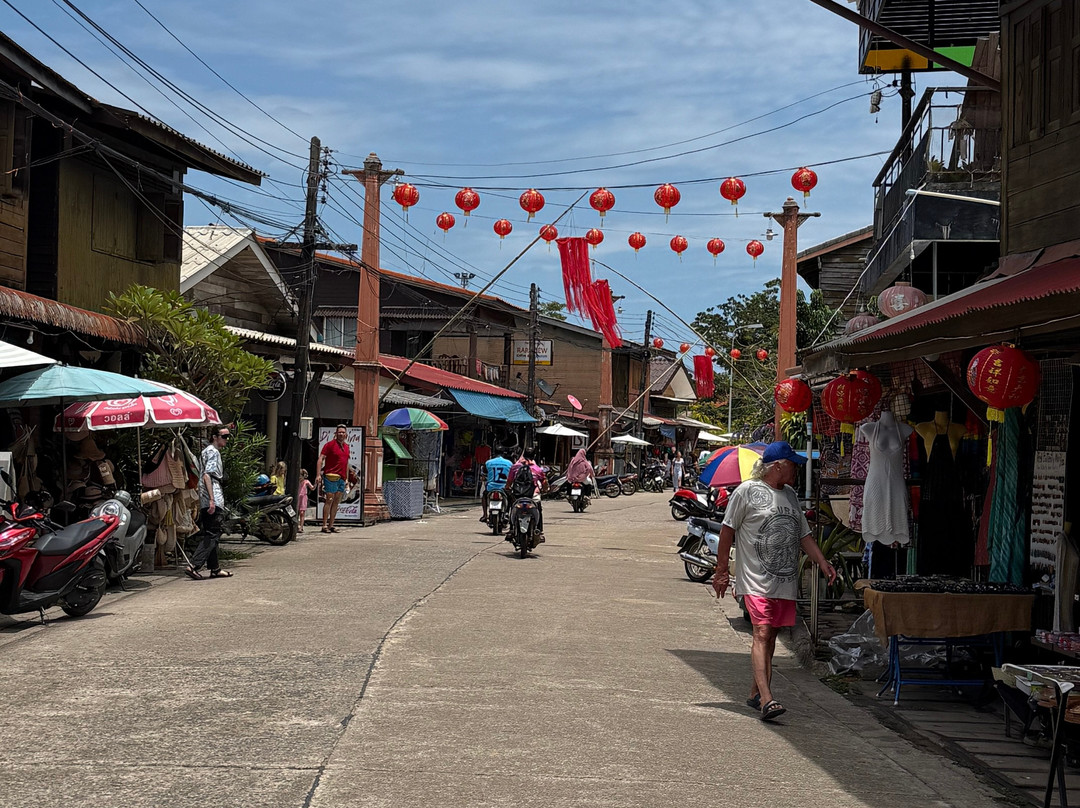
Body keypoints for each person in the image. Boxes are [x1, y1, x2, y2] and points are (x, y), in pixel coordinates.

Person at [712, 441, 834, 721]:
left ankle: (756, 691)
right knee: (762, 633)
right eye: (792, 464)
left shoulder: (790, 495)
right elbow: (727, 530)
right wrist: (721, 572)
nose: (796, 470)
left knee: (773, 635)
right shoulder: (747, 492)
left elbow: (804, 536)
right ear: (777, 466)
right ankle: (768, 699)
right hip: (755, 579)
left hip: (784, 581)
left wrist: (822, 561)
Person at [186, 426, 234, 580]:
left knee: (211, 532)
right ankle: (194, 564)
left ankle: (215, 568)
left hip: (206, 497)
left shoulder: (206, 451)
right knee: (213, 533)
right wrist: (212, 499)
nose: (226, 439)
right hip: (212, 496)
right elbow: (207, 475)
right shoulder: (213, 452)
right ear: (215, 437)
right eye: (224, 436)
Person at [317, 424, 351, 534]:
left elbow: (346, 463)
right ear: (336, 434)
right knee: (329, 500)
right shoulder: (329, 445)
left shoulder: (346, 447)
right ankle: (324, 525)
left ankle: (331, 525)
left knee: (336, 501)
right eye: (339, 432)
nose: (341, 434)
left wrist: (346, 479)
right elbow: (320, 459)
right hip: (330, 476)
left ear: (346, 434)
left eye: (343, 432)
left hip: (341, 478)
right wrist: (318, 474)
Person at [508, 446, 547, 541]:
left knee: (512, 508)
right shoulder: (538, 469)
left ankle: (511, 529)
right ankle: (540, 531)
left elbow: (509, 481)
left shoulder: (515, 467)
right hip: (533, 496)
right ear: (534, 456)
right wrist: (545, 490)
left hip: (518, 495)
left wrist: (507, 488)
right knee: (538, 509)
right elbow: (544, 483)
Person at [480, 447, 512, 522]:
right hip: (504, 487)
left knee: (484, 496)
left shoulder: (488, 462)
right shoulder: (509, 463)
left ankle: (485, 515)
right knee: (511, 497)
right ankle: (507, 513)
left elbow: (484, 473)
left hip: (491, 487)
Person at [297, 469, 316, 533]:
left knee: (302, 512)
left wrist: (316, 483)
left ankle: (301, 526)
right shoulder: (296, 482)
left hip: (303, 497)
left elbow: (312, 488)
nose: (299, 477)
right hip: (297, 497)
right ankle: (296, 525)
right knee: (296, 512)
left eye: (301, 476)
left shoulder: (306, 482)